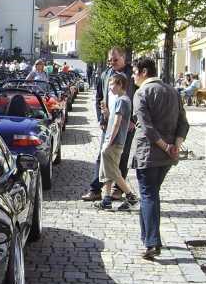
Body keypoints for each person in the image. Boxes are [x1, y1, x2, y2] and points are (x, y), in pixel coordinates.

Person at [132, 56, 189, 259]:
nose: (133, 76)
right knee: (151, 195)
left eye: (135, 72)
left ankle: (152, 242)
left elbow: (146, 127)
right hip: (167, 156)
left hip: (149, 153)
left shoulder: (142, 92)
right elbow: (184, 123)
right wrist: (175, 146)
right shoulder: (172, 91)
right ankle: (147, 237)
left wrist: (165, 146)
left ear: (144, 72)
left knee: (148, 195)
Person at [81, 47, 137, 204]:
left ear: (124, 58)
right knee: (102, 155)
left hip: (126, 124)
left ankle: (118, 190)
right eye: (110, 60)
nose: (112, 62)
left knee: (122, 156)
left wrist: (134, 119)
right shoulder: (105, 74)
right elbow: (99, 97)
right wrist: (101, 118)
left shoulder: (132, 74)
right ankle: (96, 190)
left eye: (115, 59)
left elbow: (139, 99)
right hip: (108, 122)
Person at [94, 73, 137, 211]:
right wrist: (106, 113)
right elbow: (114, 119)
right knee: (107, 170)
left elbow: (117, 124)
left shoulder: (122, 101)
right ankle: (106, 200)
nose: (110, 87)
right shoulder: (121, 100)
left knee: (113, 171)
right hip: (114, 141)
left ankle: (131, 196)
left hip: (114, 142)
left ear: (120, 84)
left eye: (112, 84)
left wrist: (109, 142)